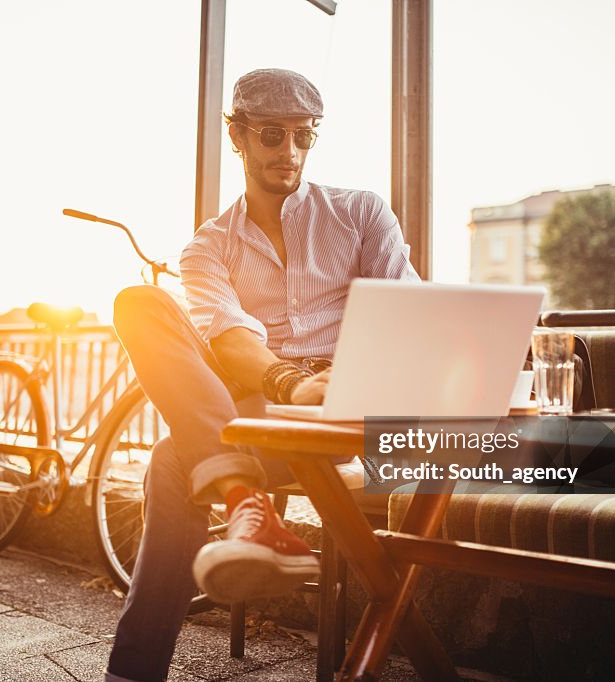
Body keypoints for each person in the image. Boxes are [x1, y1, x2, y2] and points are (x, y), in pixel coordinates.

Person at [105, 68, 419, 682]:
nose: (291, 152)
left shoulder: (359, 214)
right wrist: (289, 385)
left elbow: (402, 314)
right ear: (238, 137)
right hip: (266, 408)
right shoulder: (208, 247)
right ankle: (249, 501)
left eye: (305, 135)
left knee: (172, 463)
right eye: (273, 135)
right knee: (138, 304)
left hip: (352, 406)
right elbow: (228, 336)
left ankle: (244, 511)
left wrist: (339, 382)